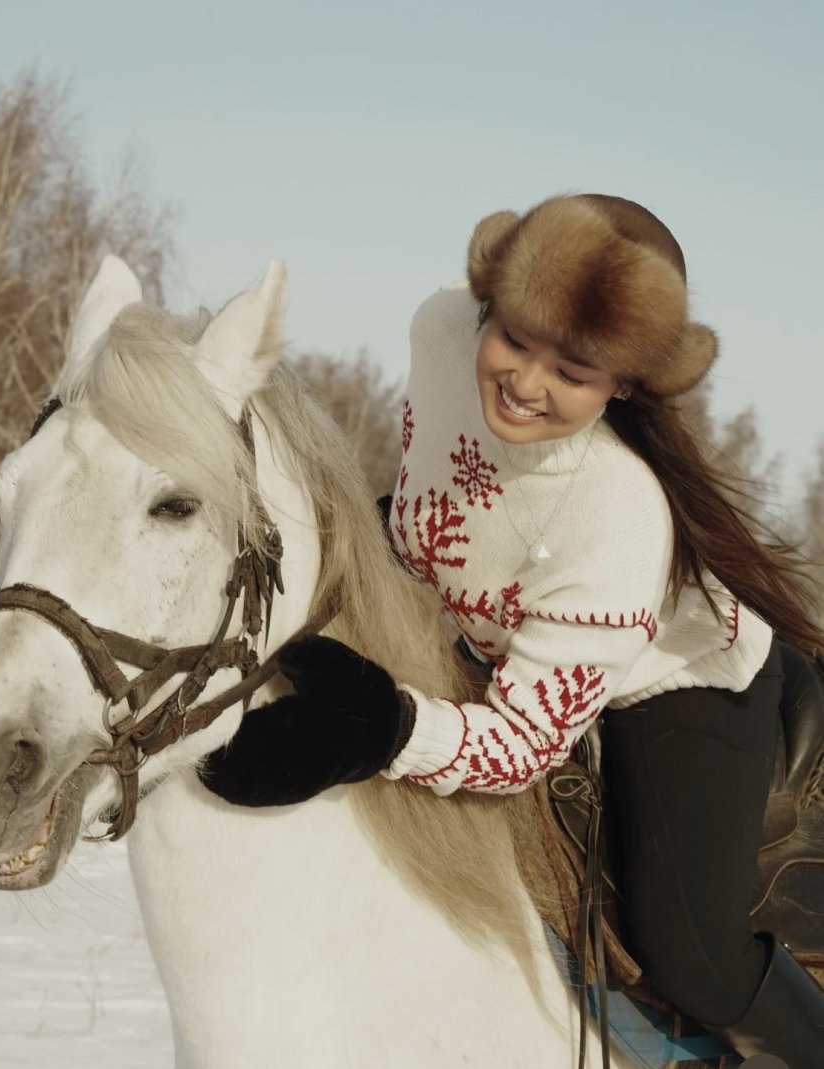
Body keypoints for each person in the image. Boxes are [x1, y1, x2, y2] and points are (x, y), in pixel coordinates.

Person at [199, 193, 824, 1065]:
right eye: (517, 340)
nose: (527, 383)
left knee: (691, 948)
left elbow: (524, 741)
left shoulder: (617, 516)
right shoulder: (440, 330)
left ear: (624, 386)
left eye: (572, 373)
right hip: (505, 623)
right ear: (487, 303)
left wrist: (383, 727)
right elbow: (437, 498)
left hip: (674, 683)